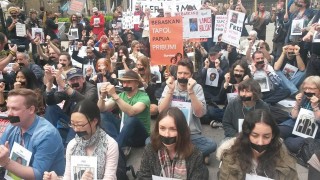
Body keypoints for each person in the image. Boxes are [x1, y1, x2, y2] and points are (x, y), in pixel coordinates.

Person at [43, 99, 118, 180]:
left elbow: (110, 177)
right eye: (73, 124)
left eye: (80, 125)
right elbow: (68, 176)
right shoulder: (72, 145)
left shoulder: (109, 145)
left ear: (94, 121)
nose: (76, 129)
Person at [158, 59, 216, 164]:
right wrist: (170, 91)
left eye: (186, 73)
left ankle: (173, 155)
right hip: (170, 132)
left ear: (191, 75)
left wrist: (191, 91)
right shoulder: (170, 85)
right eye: (180, 73)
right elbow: (161, 110)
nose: (182, 76)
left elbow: (200, 113)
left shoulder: (197, 88)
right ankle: (193, 155)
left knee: (211, 145)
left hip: (191, 133)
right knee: (149, 141)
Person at [0, 88, 65, 179]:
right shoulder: (14, 125)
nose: (9, 113)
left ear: (31, 110)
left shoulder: (47, 134)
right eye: (8, 108)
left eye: (14, 108)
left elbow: (38, 175)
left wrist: (6, 162)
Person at [218, 109, 298, 179]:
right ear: (247, 134)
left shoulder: (284, 160)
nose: (260, 143)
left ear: (273, 135)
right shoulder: (231, 159)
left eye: (266, 137)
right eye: (255, 136)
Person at [137, 107, 209, 179]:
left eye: (173, 129)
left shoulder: (195, 154)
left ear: (182, 131)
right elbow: (143, 176)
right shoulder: (150, 149)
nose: (167, 134)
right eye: (162, 128)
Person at [98, 70, 150, 151]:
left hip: (139, 136)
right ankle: (116, 143)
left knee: (132, 119)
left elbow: (132, 112)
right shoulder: (121, 95)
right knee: (102, 115)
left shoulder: (144, 97)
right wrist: (102, 96)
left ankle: (115, 149)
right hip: (123, 132)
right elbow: (101, 109)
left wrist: (115, 95)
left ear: (136, 83)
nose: (125, 84)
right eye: (123, 82)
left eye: (128, 82)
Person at [45, 68, 98, 145]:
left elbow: (86, 103)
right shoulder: (68, 88)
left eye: (78, 78)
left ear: (83, 79)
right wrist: (49, 83)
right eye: (72, 80)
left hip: (85, 121)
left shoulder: (91, 88)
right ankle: (47, 136)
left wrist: (65, 86)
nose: (75, 82)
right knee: (51, 108)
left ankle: (68, 147)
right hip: (69, 119)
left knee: (77, 119)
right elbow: (50, 102)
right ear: (68, 82)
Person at [278, 76, 320, 154]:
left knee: (293, 144)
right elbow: (293, 116)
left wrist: (315, 107)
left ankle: (289, 140)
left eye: (311, 88)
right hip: (298, 125)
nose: (307, 91)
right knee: (277, 131)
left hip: (313, 131)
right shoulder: (304, 97)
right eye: (305, 88)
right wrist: (297, 103)